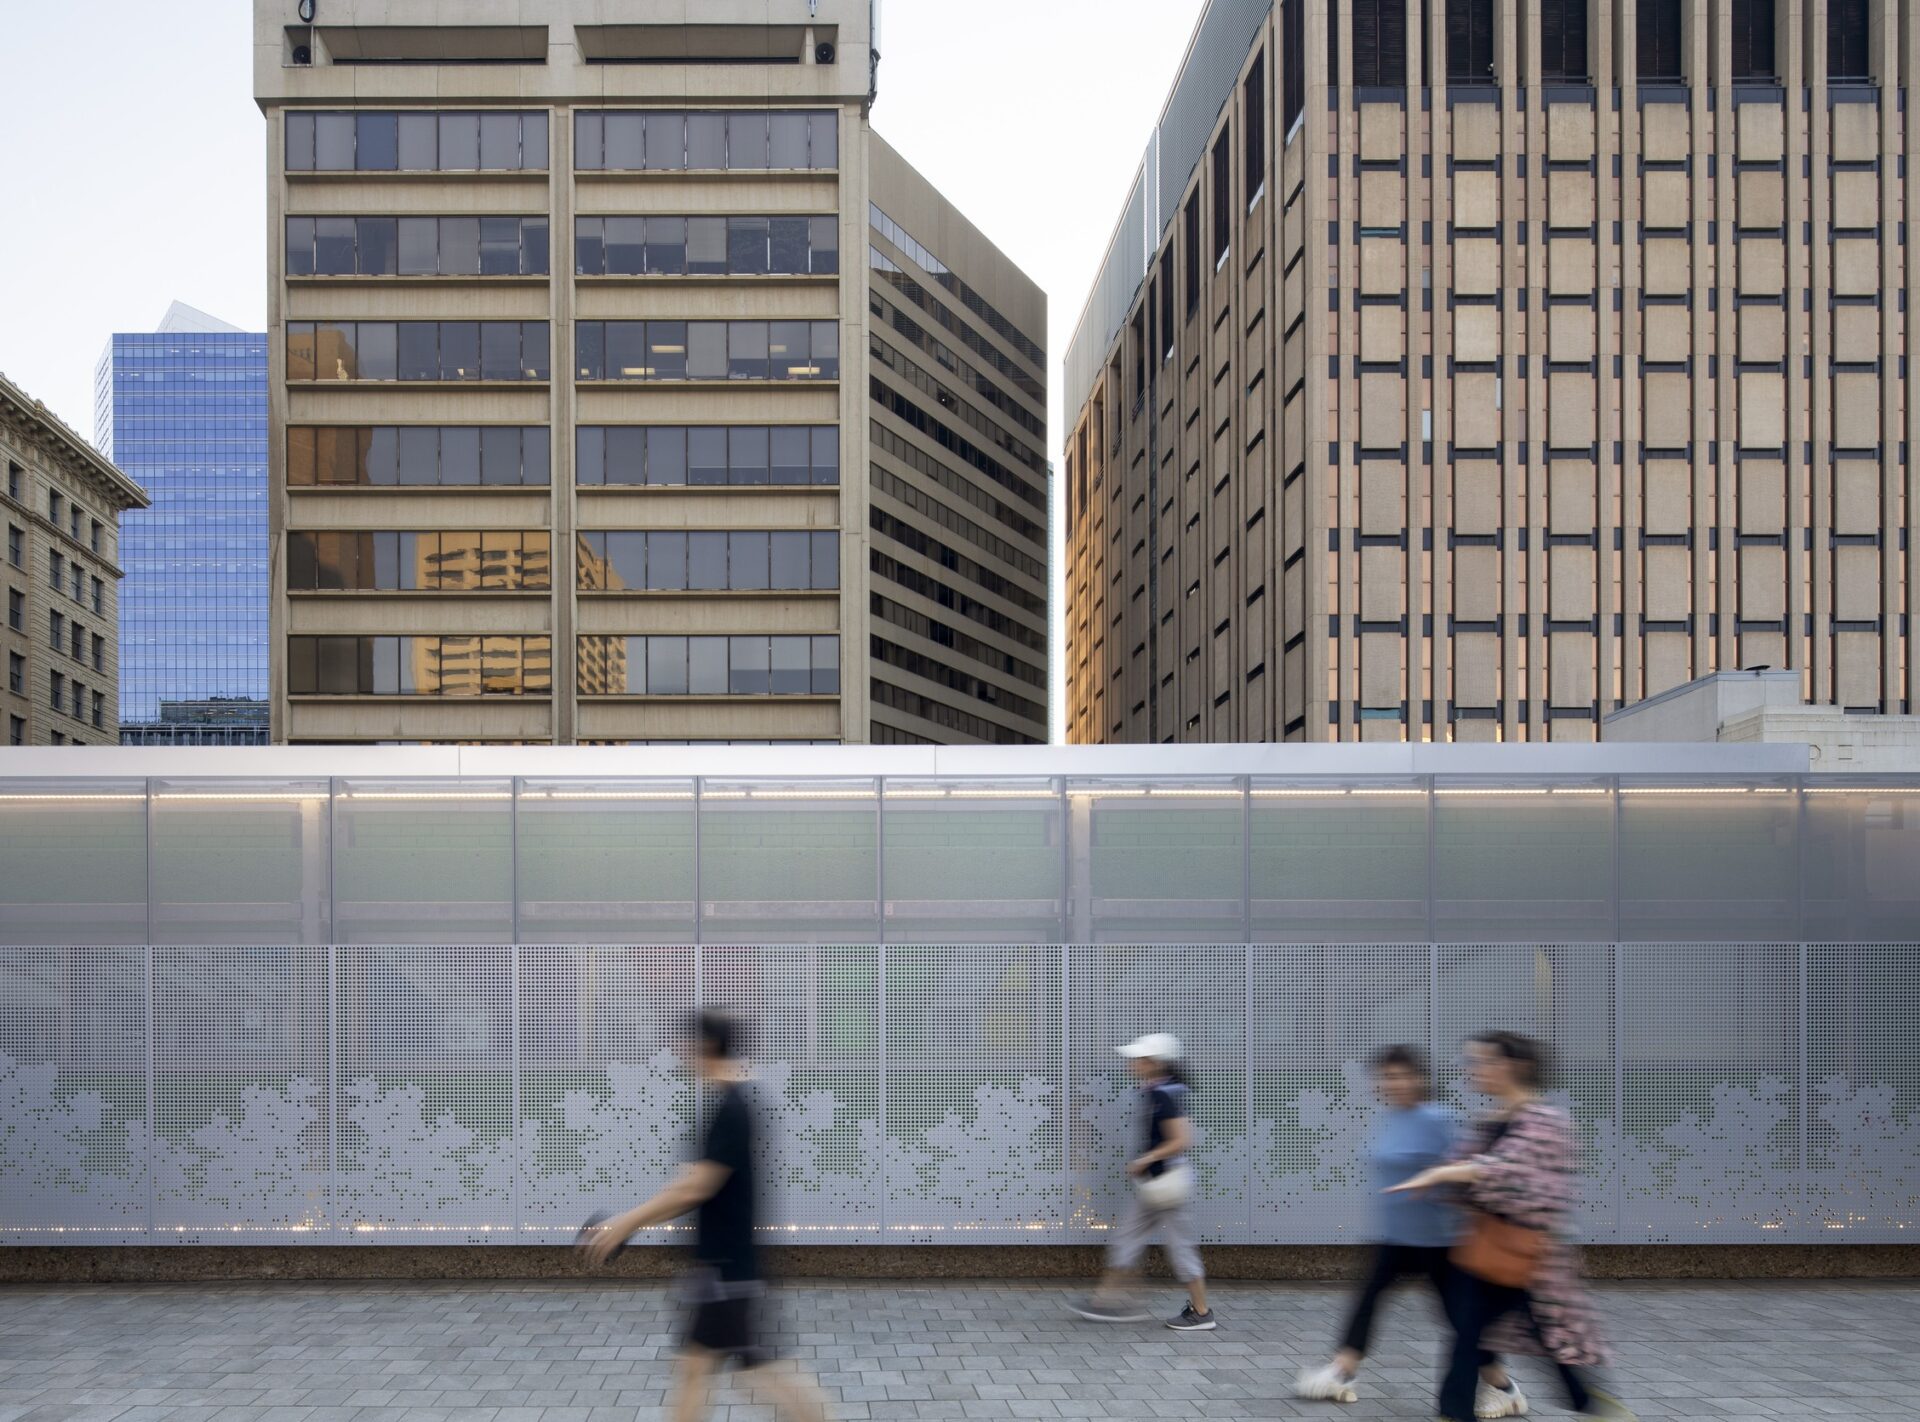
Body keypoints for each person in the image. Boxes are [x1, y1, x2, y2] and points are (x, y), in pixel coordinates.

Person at [577, 1010, 825, 1422]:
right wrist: (627, 1222)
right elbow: (688, 1185)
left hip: (728, 1272)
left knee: (758, 1375)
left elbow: (696, 1188)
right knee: (699, 1370)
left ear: (706, 1045)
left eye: (686, 1042)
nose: (680, 1051)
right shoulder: (727, 1101)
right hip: (718, 1270)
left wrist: (625, 1223)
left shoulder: (732, 1107)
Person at [1387, 1031, 1636, 1422]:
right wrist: (1441, 1176)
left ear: (1514, 1066)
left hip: (1531, 1256)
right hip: (1486, 1246)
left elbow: (1508, 1170)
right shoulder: (1490, 1121)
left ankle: (1592, 1403)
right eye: (1473, 1062)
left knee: (1542, 1335)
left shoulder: (1547, 1122)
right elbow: (1464, 1169)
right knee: (1471, 1332)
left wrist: (1443, 1175)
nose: (1474, 1070)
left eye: (1484, 1061)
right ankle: (1460, 1412)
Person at [1295, 1046, 1524, 1417]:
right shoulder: (1390, 1117)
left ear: (1421, 1079)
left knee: (1461, 1322)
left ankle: (1504, 1388)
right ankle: (1342, 1371)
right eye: (1388, 1077)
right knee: (1368, 1299)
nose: (1395, 1084)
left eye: (1403, 1076)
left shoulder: (1439, 1118)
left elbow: (1467, 1168)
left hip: (1441, 1242)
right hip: (1395, 1238)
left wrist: (1443, 1189)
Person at [1069, 1031, 1216, 1331]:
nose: (1132, 1063)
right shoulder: (1160, 1090)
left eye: (1138, 1059)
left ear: (1153, 1062)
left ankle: (1201, 1312)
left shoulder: (1164, 1094)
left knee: (1180, 1248)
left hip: (1167, 1186)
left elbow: (1181, 1140)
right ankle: (1106, 1301)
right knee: (1128, 1238)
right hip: (1154, 1186)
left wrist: (1145, 1159)